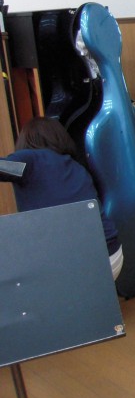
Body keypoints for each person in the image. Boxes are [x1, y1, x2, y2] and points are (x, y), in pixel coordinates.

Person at [1, 116, 123, 279]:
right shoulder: (77, 168)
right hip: (113, 255)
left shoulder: (30, 161)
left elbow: (3, 169)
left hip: (80, 263)